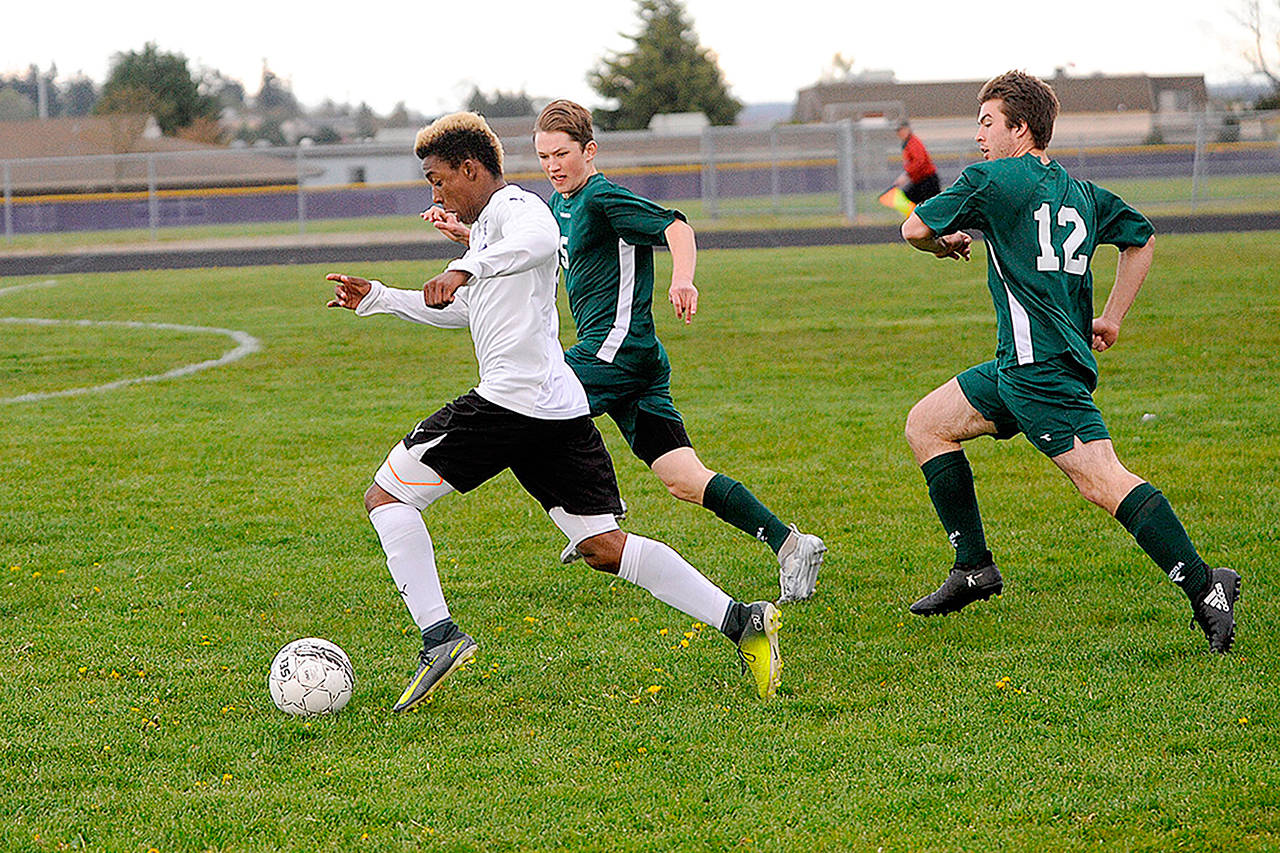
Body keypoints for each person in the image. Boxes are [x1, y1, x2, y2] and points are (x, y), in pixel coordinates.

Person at [327, 112, 782, 712]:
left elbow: (540, 241)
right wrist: (384, 297)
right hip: (556, 410)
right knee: (603, 546)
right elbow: (472, 312)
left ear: (470, 169)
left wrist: (465, 266)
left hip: (510, 403)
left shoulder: (519, 208)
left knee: (386, 498)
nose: (435, 195)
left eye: (438, 181)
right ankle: (743, 620)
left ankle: (439, 638)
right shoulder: (489, 230)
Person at [428, 99, 826, 605]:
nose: (552, 165)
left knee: (532, 403)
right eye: (543, 156)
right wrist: (468, 234)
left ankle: (594, 519)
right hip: (631, 361)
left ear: (589, 151)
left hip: (614, 350)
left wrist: (683, 280)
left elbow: (677, 228)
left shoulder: (602, 197)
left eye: (562, 153)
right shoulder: (556, 207)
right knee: (684, 478)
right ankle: (792, 544)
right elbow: (547, 252)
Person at [898, 71, 1240, 653]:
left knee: (1103, 481)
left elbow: (912, 226)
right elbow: (1141, 238)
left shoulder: (990, 179)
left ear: (1020, 128)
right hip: (1019, 367)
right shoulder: (1080, 192)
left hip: (1043, 373)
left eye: (987, 122)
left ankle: (1208, 586)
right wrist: (1111, 318)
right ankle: (973, 567)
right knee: (926, 424)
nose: (979, 135)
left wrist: (942, 242)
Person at [893, 119, 941, 205]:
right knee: (909, 194)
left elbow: (919, 161)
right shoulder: (907, 144)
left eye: (901, 130)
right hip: (920, 180)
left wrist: (907, 175)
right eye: (898, 131)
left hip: (927, 180)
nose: (899, 133)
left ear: (907, 129)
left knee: (931, 205)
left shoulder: (913, 143)